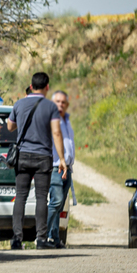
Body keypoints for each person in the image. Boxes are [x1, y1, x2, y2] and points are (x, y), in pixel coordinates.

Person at [6, 72, 67, 250]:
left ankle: (16, 239)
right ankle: (41, 239)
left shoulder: (19, 103)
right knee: (42, 198)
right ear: (47, 87)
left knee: (21, 197)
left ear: (31, 86)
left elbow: (10, 126)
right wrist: (62, 159)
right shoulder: (50, 107)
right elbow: (56, 132)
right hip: (43, 157)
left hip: (23, 156)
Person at [45, 91, 74, 248]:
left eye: (63, 102)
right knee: (55, 201)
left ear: (67, 105)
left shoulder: (66, 120)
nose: (60, 105)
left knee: (60, 204)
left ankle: (54, 238)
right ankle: (41, 236)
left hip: (67, 168)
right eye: (57, 101)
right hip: (55, 166)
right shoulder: (50, 119)